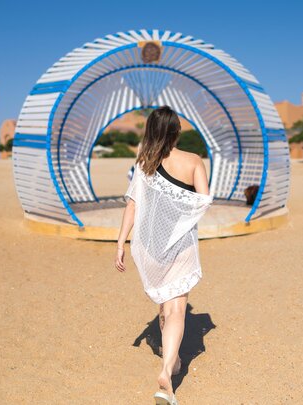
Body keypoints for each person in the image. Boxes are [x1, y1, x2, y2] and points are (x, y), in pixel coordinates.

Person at [115, 106, 212, 405]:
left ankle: (175, 361)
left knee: (163, 306)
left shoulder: (145, 162)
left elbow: (132, 205)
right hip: (180, 245)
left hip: (151, 247)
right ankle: (167, 372)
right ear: (176, 131)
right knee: (177, 310)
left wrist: (120, 242)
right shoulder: (193, 161)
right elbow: (203, 202)